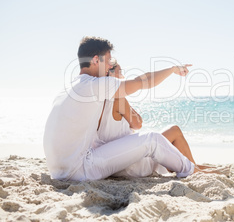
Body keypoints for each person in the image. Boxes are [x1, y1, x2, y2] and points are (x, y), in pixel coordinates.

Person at [43, 36, 198, 181]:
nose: (110, 66)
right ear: (96, 60)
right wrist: (172, 70)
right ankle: (192, 171)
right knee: (153, 139)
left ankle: (187, 167)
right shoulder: (93, 85)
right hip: (78, 170)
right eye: (108, 60)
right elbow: (142, 82)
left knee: (151, 141)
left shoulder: (67, 89)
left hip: (58, 172)